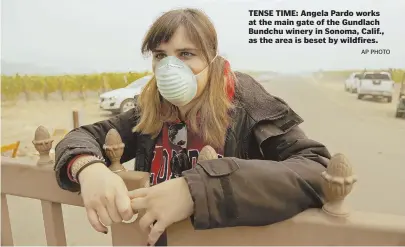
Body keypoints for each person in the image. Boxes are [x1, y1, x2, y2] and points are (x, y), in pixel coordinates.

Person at [54, 8, 331, 246]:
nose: (170, 67)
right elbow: (85, 136)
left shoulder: (246, 103)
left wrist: (196, 189)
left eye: (186, 54)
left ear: (211, 59)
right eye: (160, 56)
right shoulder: (152, 105)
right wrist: (88, 169)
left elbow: (317, 169)